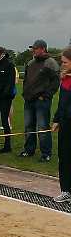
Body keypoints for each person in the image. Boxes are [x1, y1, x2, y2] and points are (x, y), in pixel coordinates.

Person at [19, 39, 60, 162]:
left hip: (42, 101)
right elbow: (26, 80)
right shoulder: (30, 63)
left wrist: (46, 96)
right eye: (33, 48)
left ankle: (46, 153)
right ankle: (29, 150)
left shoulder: (51, 63)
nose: (33, 50)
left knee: (42, 127)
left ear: (43, 49)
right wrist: (25, 93)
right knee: (28, 126)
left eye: (35, 48)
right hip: (29, 100)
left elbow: (55, 82)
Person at [51, 47, 71, 203]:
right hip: (65, 124)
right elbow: (61, 103)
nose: (62, 65)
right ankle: (66, 190)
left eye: (65, 62)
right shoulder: (65, 79)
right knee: (63, 157)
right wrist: (57, 119)